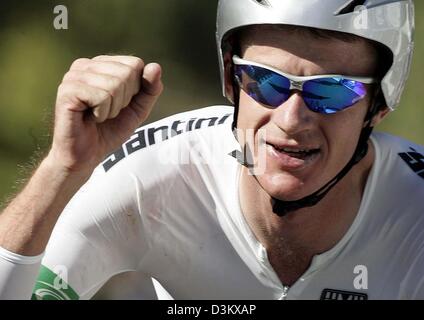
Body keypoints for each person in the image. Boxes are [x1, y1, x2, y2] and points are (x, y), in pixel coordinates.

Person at [0, 0, 422, 300]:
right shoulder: (152, 177)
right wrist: (61, 170)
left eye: (331, 90)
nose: (292, 120)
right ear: (230, 79)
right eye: (265, 80)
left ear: (378, 104)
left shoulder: (415, 217)